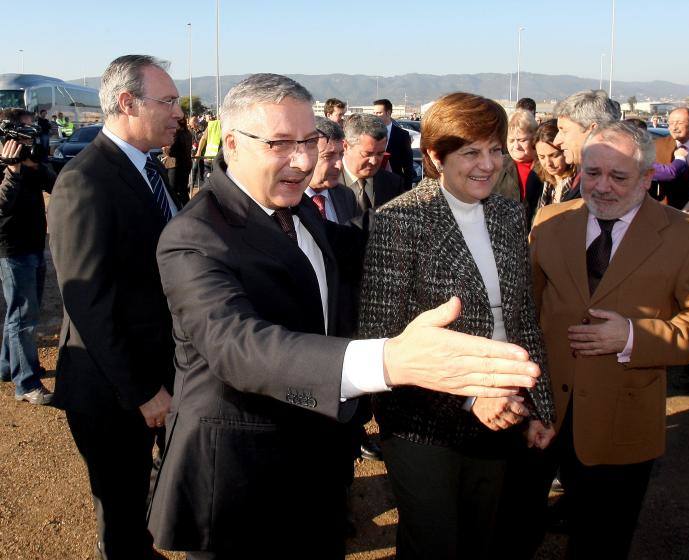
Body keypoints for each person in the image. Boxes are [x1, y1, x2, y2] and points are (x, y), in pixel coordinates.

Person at [147, 73, 541, 559]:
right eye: (279, 143)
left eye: (309, 141)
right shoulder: (195, 234)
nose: (301, 159)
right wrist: (391, 361)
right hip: (240, 481)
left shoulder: (296, 210)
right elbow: (239, 348)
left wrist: (450, 205)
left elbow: (370, 252)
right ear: (231, 143)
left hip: (318, 467)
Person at [514, 121, 689, 559]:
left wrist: (631, 335)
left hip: (622, 420)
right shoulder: (551, 222)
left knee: (601, 542)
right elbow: (526, 316)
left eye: (619, 176)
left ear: (648, 178)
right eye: (593, 173)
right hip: (542, 415)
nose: (603, 187)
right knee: (512, 530)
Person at [359, 92, 555, 560]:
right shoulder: (399, 220)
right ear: (434, 156)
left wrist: (538, 404)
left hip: (504, 411)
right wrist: (472, 396)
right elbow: (381, 340)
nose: (489, 165)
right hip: (424, 423)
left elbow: (521, 318)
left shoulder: (509, 215)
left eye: (496, 149)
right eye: (471, 152)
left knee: (482, 538)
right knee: (435, 545)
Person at [47, 54, 184, 560]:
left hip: (160, 370)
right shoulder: (85, 181)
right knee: (124, 520)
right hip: (115, 389)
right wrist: (142, 390)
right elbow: (87, 300)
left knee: (159, 499)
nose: (178, 113)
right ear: (127, 102)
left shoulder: (150, 169)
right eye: (167, 101)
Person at [0, 108, 55, 404]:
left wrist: (34, 165)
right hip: (11, 248)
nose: (29, 136)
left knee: (18, 313)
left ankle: (8, 367)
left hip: (34, 244)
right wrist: (11, 172)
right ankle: (26, 383)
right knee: (23, 316)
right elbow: (2, 206)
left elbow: (55, 184)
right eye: (23, 132)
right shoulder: (4, 164)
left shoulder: (30, 161)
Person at [553, 89, 620, 202]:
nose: (556, 141)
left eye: (563, 131)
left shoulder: (608, 187)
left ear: (593, 130)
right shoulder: (584, 175)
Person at [340, 113, 404, 215]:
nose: (374, 161)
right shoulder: (326, 185)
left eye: (380, 154)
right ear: (346, 147)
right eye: (367, 154)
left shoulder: (394, 184)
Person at [495, 108, 544, 227]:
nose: (516, 146)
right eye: (511, 140)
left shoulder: (547, 165)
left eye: (522, 140)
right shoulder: (496, 165)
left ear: (534, 138)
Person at [304, 116, 357, 224]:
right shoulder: (286, 201)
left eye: (341, 155)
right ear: (303, 155)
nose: (339, 164)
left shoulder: (346, 196)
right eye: (328, 156)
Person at [652, 107, 689, 208]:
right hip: (665, 209)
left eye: (679, 123)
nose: (674, 127)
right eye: (671, 123)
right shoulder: (658, 145)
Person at [532, 118, 575, 209]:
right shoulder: (539, 183)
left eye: (554, 156)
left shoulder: (579, 185)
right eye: (542, 157)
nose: (548, 163)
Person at [373, 98, 415, 189]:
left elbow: (408, 164)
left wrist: (407, 188)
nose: (375, 116)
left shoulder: (402, 135)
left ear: (388, 113)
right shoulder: (369, 134)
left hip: (394, 183)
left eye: (379, 113)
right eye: (374, 113)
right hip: (373, 182)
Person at [161, 117, 192, 205]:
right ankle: (188, 210)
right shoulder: (188, 133)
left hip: (175, 166)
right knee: (183, 190)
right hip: (186, 164)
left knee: (173, 191)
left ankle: (178, 211)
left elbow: (171, 152)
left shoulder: (177, 135)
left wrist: (165, 149)